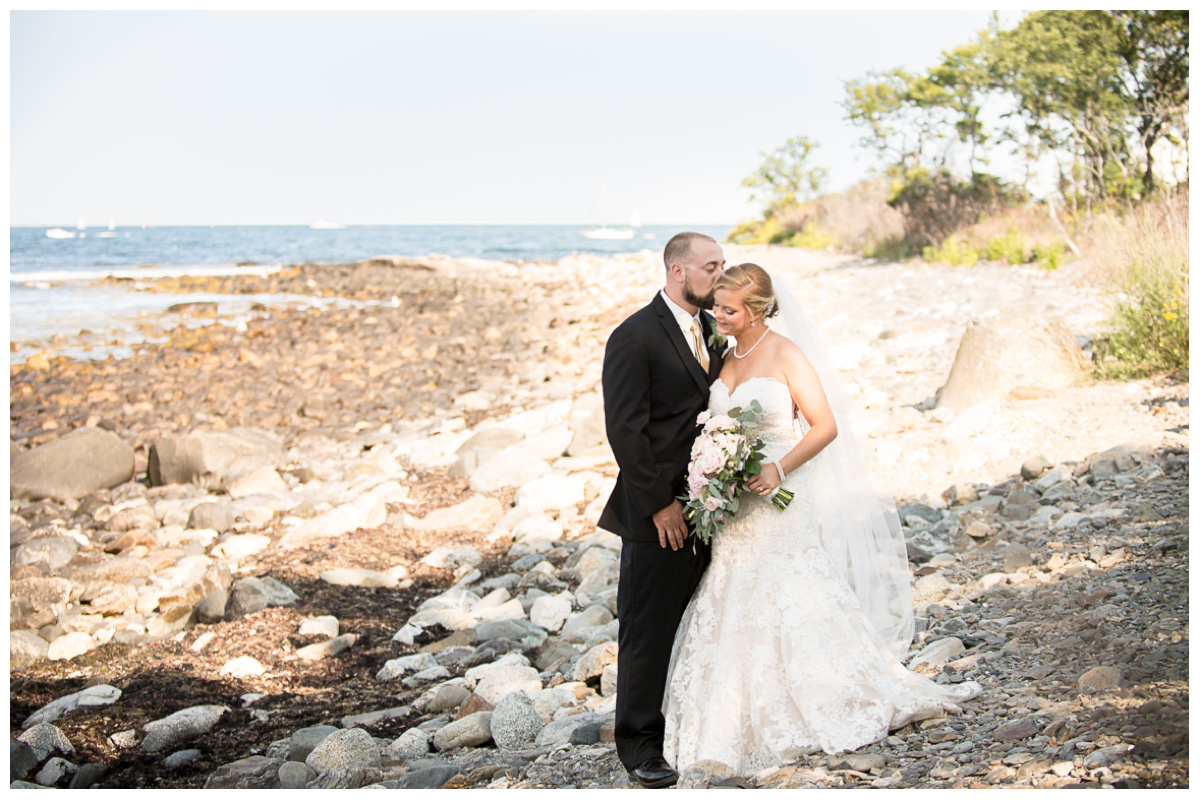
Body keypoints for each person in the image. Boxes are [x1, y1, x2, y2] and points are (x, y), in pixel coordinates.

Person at [662, 263, 980, 775]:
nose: (716, 314)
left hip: (782, 491)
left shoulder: (786, 354)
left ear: (757, 309)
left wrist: (777, 467)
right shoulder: (725, 354)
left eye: (727, 308)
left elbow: (824, 424)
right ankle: (734, 711)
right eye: (716, 305)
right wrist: (712, 468)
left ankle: (824, 695)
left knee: (790, 583)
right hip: (737, 503)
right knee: (734, 586)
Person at [599, 232, 726, 789]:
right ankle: (640, 746)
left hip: (713, 505)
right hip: (659, 513)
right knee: (647, 629)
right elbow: (625, 433)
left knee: (701, 618)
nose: (719, 276)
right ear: (678, 271)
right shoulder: (633, 337)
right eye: (711, 267)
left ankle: (695, 722)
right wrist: (660, 507)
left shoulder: (712, 331)